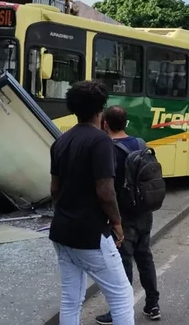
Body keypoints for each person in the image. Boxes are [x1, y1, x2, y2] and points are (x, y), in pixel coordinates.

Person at [49, 81, 134, 325]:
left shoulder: (60, 142)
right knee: (121, 294)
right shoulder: (101, 141)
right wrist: (117, 223)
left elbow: (54, 189)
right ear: (101, 111)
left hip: (61, 231)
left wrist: (67, 212)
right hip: (91, 233)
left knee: (70, 298)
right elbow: (105, 192)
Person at [96, 105, 161, 324]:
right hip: (145, 211)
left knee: (123, 264)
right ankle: (153, 304)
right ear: (126, 123)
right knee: (145, 258)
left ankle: (120, 311)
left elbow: (109, 188)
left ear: (105, 124)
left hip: (124, 215)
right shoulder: (140, 143)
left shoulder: (110, 150)